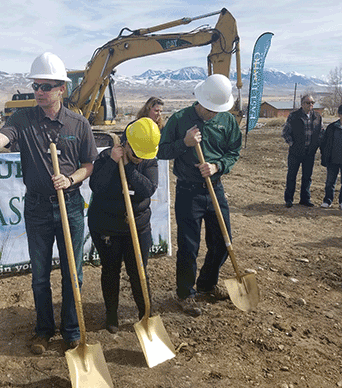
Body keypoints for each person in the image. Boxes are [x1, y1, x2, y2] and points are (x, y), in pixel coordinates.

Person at [0, 52, 98, 354]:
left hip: (70, 205)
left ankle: (72, 330)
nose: (39, 91)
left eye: (45, 86)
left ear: (61, 89)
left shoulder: (78, 124)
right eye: (36, 85)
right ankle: (43, 330)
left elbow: (89, 164)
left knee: (73, 273)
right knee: (40, 275)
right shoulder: (22, 119)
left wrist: (71, 179)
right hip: (37, 207)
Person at [157, 74, 241, 316]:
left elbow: (233, 151)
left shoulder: (227, 120)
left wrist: (218, 166)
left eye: (218, 110)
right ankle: (185, 294)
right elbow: (161, 152)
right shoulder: (180, 119)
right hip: (188, 192)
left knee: (223, 242)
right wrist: (184, 142)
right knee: (189, 247)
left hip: (215, 188)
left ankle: (206, 284)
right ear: (201, 100)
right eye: (210, 109)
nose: (214, 114)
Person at [88, 117, 160, 333]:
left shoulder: (148, 159)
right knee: (110, 271)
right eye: (135, 154)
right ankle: (111, 315)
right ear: (127, 144)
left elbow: (148, 189)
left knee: (139, 271)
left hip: (138, 227)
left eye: (142, 157)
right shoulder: (105, 157)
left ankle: (145, 314)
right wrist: (112, 162)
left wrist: (129, 169)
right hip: (107, 226)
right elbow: (97, 187)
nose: (139, 159)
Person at [281, 94, 324, 207]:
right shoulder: (294, 116)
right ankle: (289, 199)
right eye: (308, 102)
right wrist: (292, 144)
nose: (310, 105)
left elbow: (321, 133)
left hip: (310, 152)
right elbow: (285, 133)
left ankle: (305, 199)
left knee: (307, 176)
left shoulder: (317, 117)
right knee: (292, 176)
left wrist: (317, 145)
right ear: (302, 104)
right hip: (295, 152)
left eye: (312, 102)